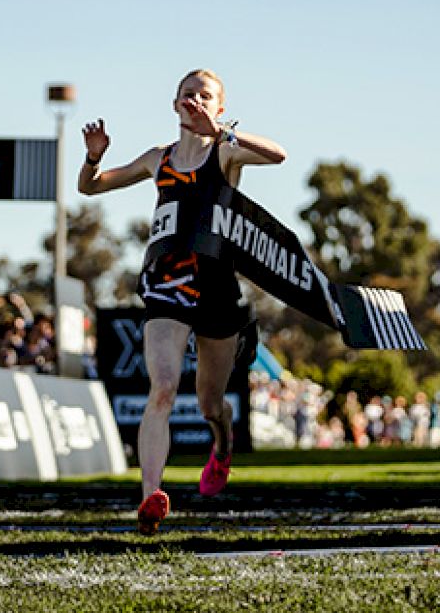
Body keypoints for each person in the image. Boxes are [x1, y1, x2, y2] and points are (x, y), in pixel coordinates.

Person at [78, 68, 286, 535]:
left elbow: (279, 155)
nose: (195, 101)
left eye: (205, 96)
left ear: (219, 107)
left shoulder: (226, 153)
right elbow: (90, 188)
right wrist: (93, 160)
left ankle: (223, 447)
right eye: (187, 94)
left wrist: (224, 133)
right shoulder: (159, 159)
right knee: (164, 388)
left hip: (216, 286)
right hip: (167, 283)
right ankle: (151, 495)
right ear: (175, 105)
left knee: (211, 404)